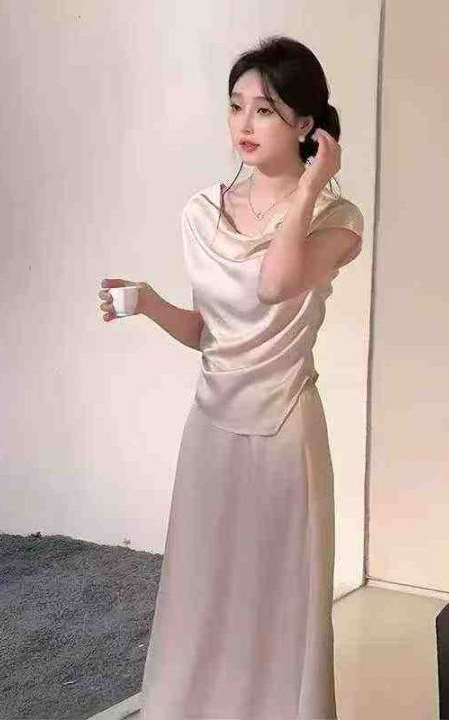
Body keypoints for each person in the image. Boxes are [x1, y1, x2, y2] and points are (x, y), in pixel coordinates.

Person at [98, 35, 364, 719]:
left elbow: (276, 283)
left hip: (285, 430)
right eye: (236, 106)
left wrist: (310, 185)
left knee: (278, 593)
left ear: (306, 125)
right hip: (211, 426)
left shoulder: (338, 220)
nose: (244, 124)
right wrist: (148, 302)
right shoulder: (200, 213)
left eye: (265, 110)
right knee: (204, 588)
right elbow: (208, 335)